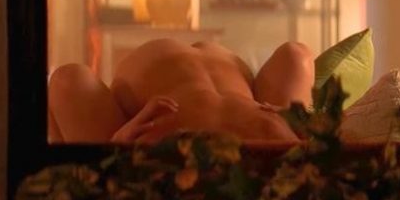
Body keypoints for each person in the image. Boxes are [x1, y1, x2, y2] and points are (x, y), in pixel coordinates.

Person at [47, 39, 312, 143]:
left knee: (67, 80)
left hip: (140, 128)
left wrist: (119, 143)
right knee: (296, 54)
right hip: (260, 119)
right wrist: (303, 128)